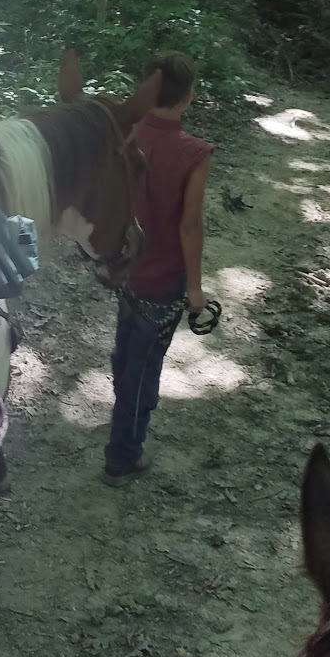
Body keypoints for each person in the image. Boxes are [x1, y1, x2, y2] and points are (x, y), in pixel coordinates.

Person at [104, 52, 214, 486]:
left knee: (125, 346)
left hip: (125, 267)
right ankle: (122, 455)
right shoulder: (194, 153)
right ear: (187, 98)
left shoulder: (124, 135)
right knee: (144, 367)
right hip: (164, 277)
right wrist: (196, 288)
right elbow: (190, 225)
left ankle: (122, 419)